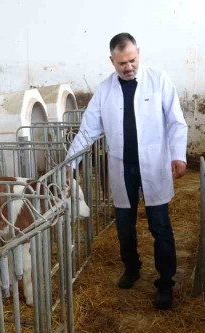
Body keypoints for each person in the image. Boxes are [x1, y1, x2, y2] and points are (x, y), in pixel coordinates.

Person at [67, 32, 188, 310]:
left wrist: (179, 155)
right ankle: (132, 268)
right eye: (122, 63)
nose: (128, 66)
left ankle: (165, 282)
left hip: (154, 164)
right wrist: (70, 164)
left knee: (160, 225)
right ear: (112, 61)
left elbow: (176, 121)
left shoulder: (158, 80)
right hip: (123, 166)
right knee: (124, 224)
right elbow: (87, 131)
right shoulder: (105, 90)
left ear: (138, 54)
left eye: (132, 60)